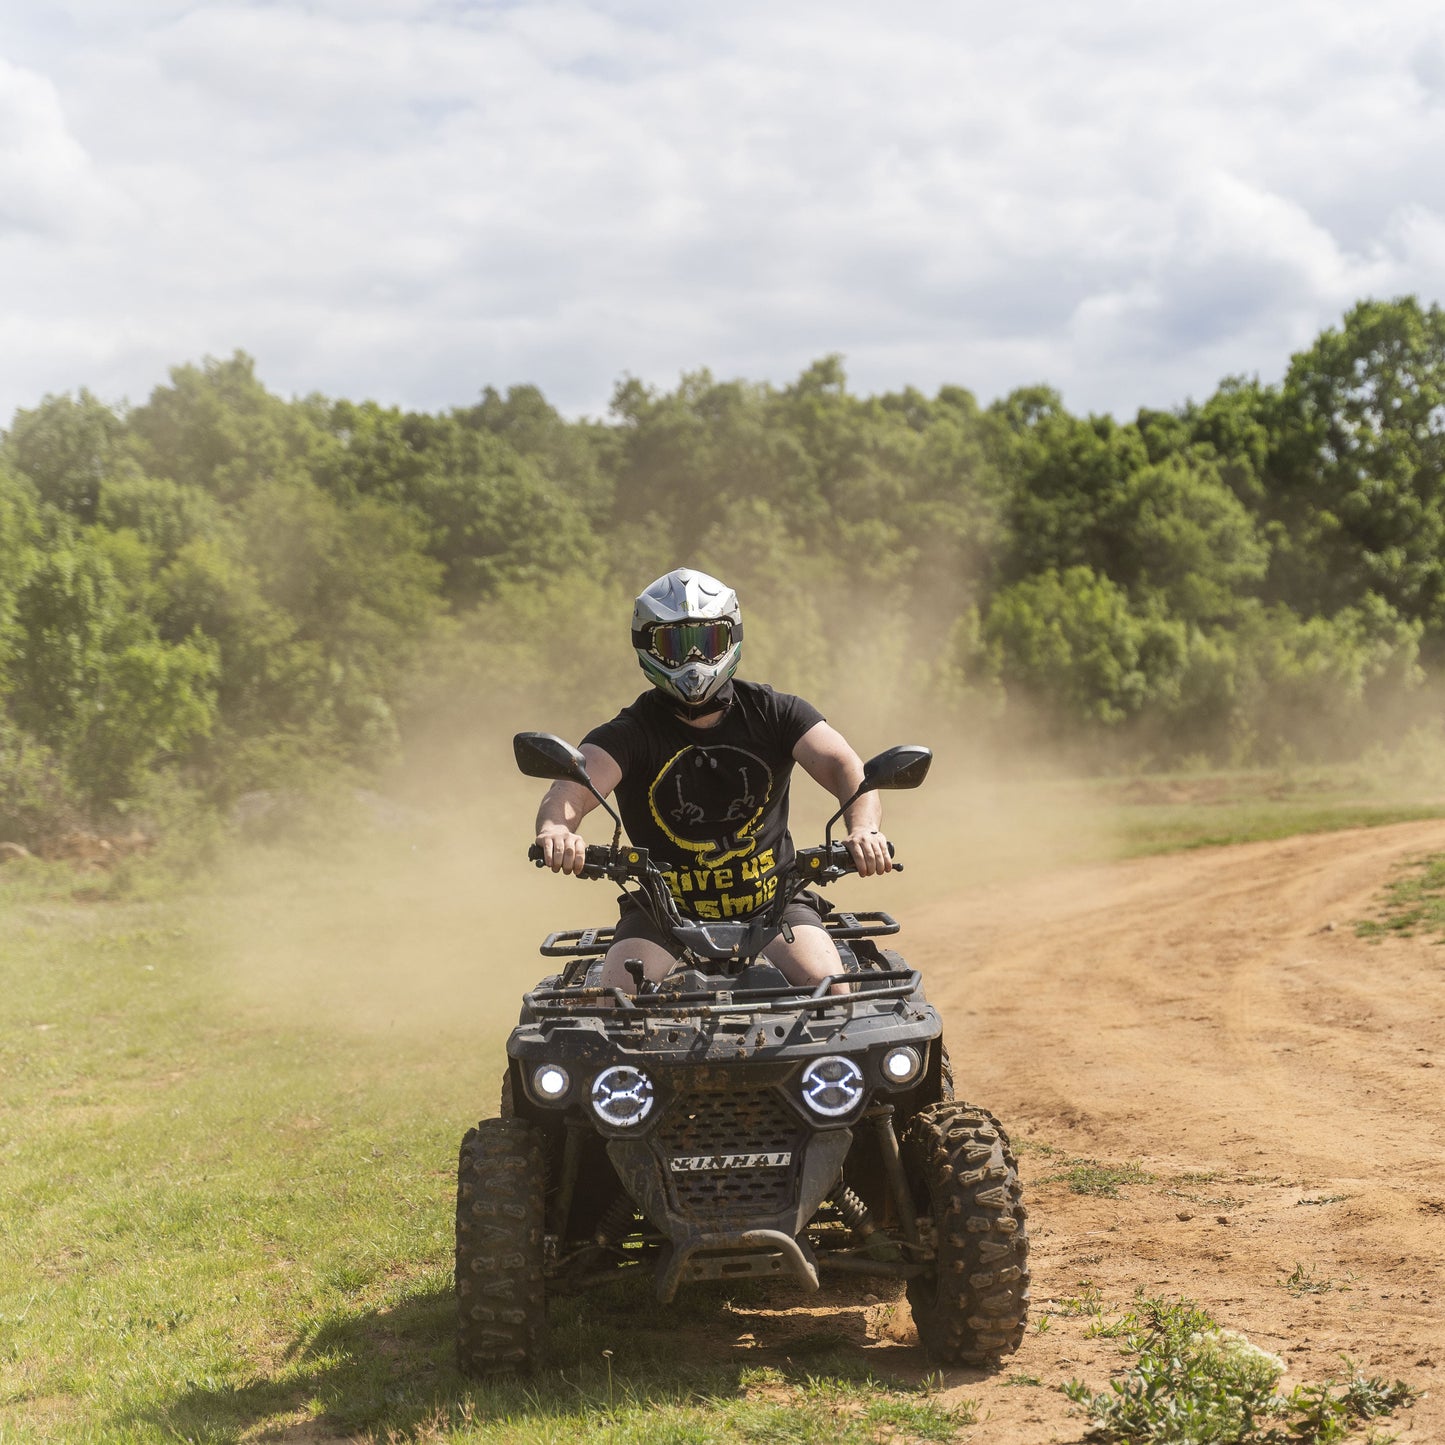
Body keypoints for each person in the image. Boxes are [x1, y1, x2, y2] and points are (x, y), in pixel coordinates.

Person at [533, 567, 892, 994]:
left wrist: (864, 829)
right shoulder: (628, 733)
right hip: (663, 914)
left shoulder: (774, 712)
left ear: (731, 638)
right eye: (673, 645)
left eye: (706, 643)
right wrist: (557, 829)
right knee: (614, 1003)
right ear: (646, 647)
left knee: (833, 992)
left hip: (773, 905)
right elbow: (571, 788)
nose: (693, 660)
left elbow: (845, 767)